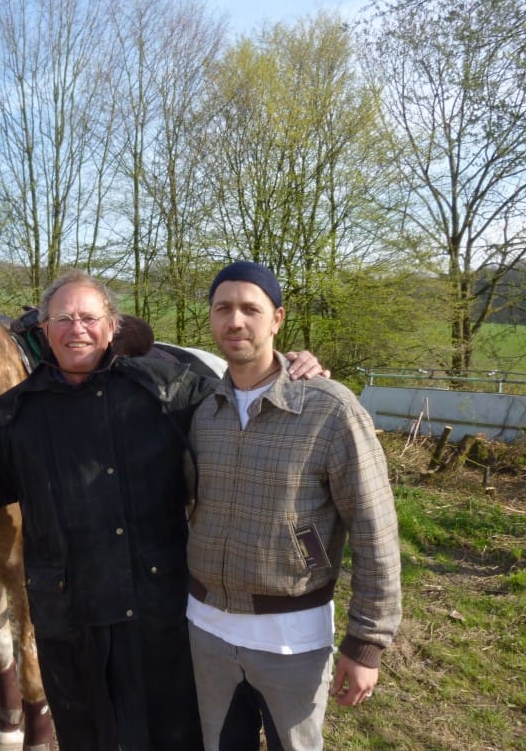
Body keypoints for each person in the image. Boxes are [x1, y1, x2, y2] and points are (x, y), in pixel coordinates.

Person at [0, 269, 325, 751]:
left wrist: (288, 367)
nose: (77, 328)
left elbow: (242, 403)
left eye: (89, 316)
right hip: (69, 617)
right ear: (43, 330)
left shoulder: (165, 390)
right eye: (62, 318)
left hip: (155, 612)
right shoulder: (19, 411)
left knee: (173, 736)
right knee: (88, 737)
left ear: (112, 326)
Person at [185, 261, 402, 751]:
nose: (235, 321)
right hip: (207, 632)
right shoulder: (203, 412)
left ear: (277, 319)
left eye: (250, 309)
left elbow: (375, 531)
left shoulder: (330, 409)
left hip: (292, 639)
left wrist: (366, 643)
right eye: (223, 308)